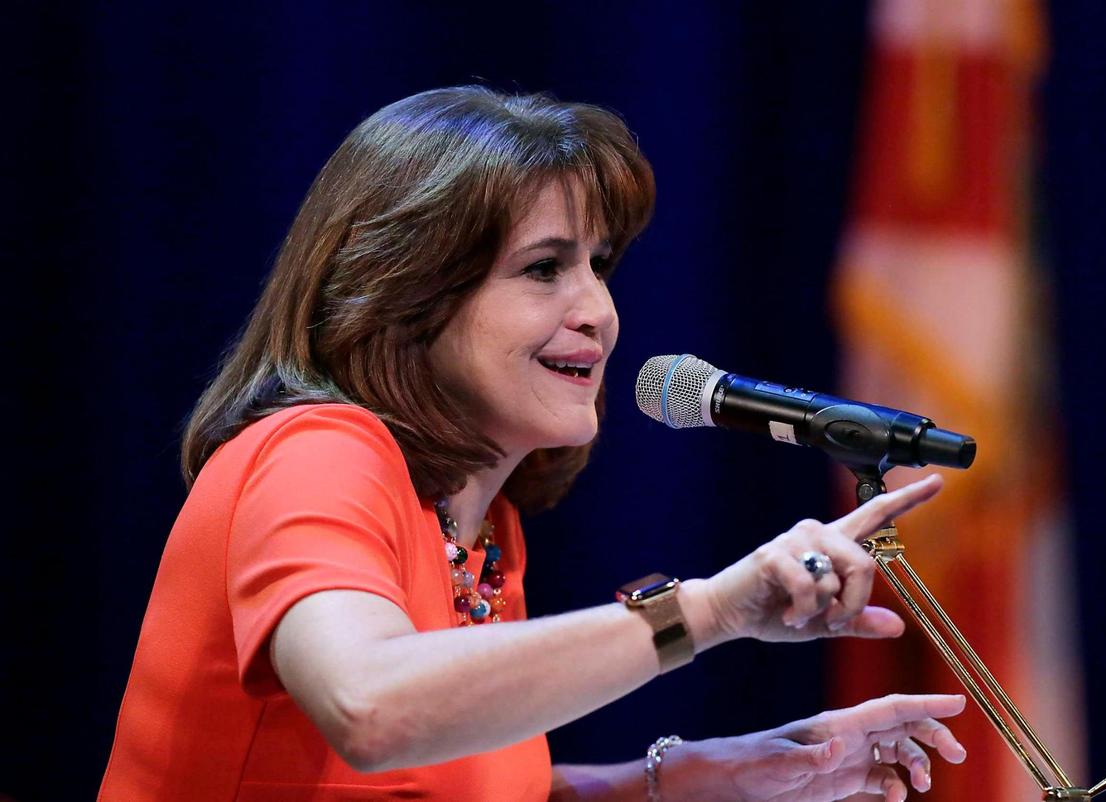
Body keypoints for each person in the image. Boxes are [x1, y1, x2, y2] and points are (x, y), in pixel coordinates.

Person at [99, 86, 967, 802]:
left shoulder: (481, 529)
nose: (597, 311)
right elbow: (370, 707)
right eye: (544, 268)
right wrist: (708, 612)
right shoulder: (315, 453)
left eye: (600, 265)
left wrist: (697, 780)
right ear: (408, 295)